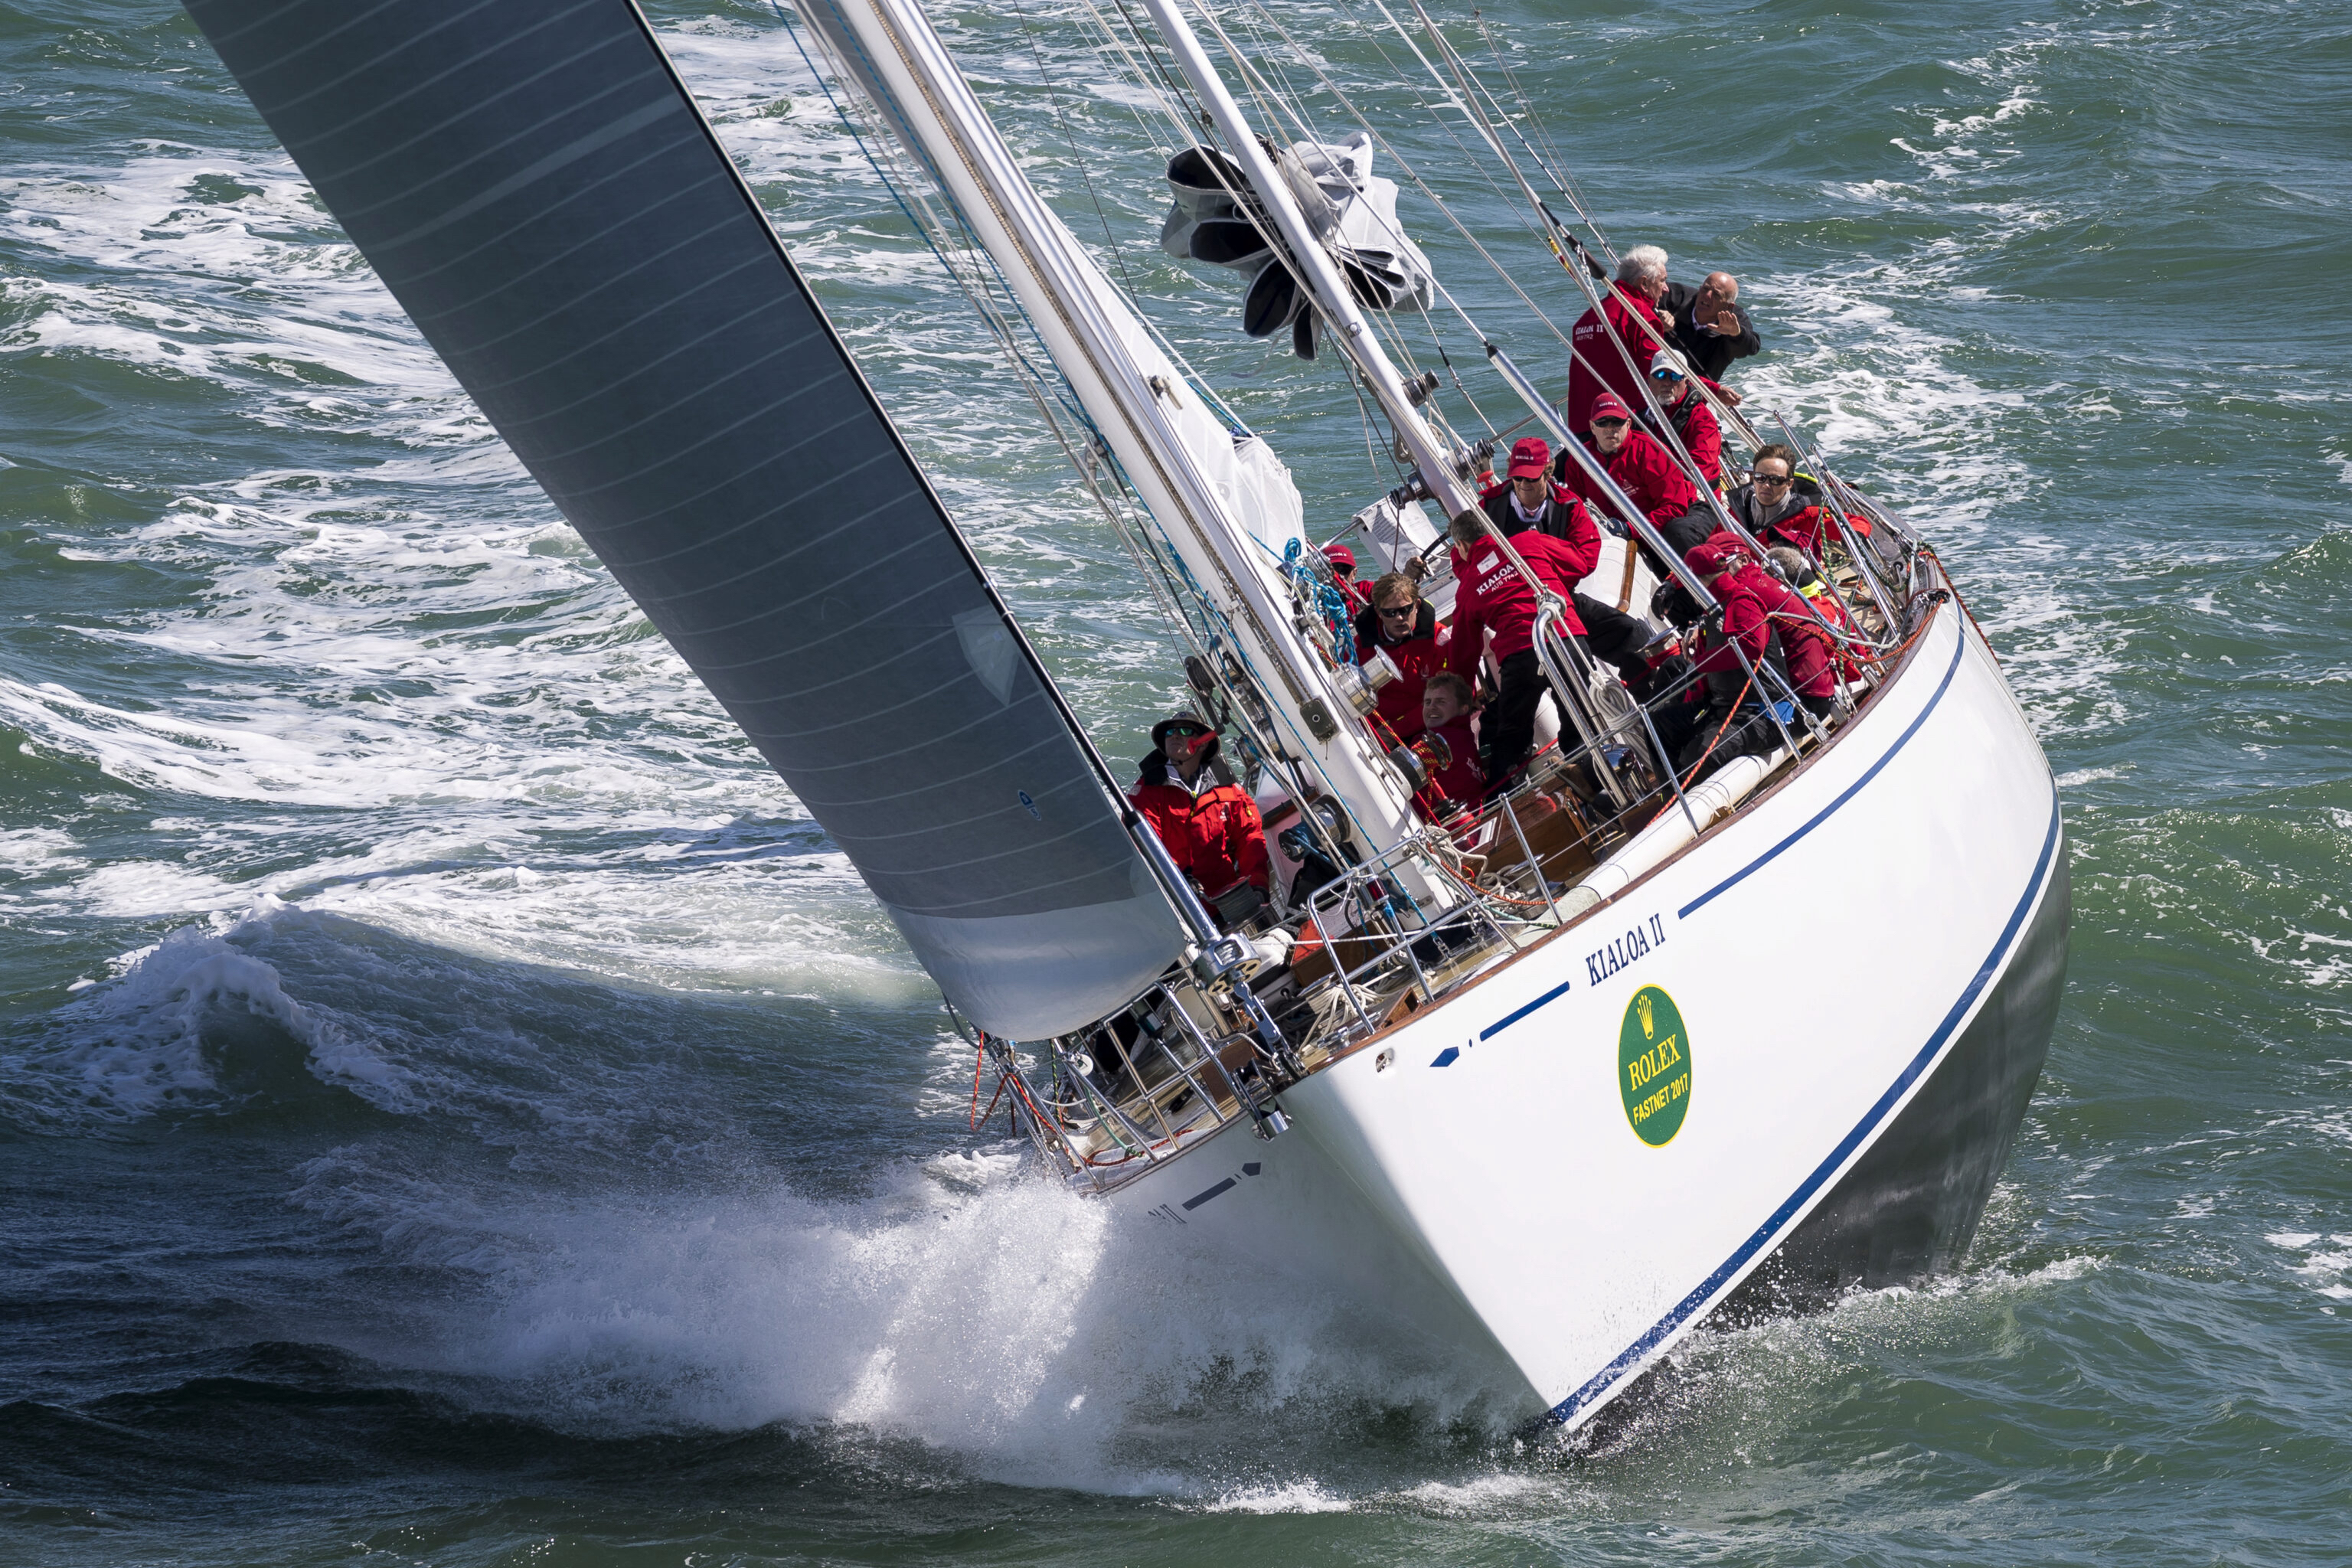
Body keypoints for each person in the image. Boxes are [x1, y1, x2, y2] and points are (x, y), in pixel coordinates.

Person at [1484, 436, 1655, 686]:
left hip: (1561, 599)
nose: (1522, 485)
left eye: (1530, 477)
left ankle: (1650, 699)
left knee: (1631, 635)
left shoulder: (1568, 505)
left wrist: (1538, 549)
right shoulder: (1487, 508)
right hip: (1515, 612)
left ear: (1547, 472)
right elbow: (1466, 562)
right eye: (1517, 477)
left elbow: (1587, 557)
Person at [1445, 508, 1594, 795]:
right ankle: (1590, 779)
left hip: (1521, 658)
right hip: (1567, 636)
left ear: (1462, 547)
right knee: (1581, 716)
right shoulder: (1530, 542)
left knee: (1513, 737)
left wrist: (1463, 697)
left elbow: (1464, 650)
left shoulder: (1468, 587)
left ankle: (1502, 806)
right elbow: (1578, 564)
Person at [1128, 710, 1268, 928]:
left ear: (1202, 744)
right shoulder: (1147, 792)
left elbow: (1250, 836)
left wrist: (1257, 884)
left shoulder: (1228, 788)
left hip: (1230, 902)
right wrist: (1179, 882)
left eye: (1185, 731)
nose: (1175, 736)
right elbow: (1144, 847)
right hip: (1180, 910)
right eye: (1170, 732)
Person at [1555, 391, 1714, 568]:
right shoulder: (1579, 460)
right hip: (1622, 531)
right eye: (1602, 423)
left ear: (1629, 423)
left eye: (1616, 422)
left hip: (1682, 516)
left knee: (1678, 533)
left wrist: (1631, 529)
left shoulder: (1649, 451)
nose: (1610, 429)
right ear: (1592, 427)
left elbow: (1675, 507)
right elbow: (1576, 509)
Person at [1566, 244, 1674, 433]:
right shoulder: (1640, 315)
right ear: (1644, 283)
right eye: (1663, 281)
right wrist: (1711, 390)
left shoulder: (1587, 318)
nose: (1666, 289)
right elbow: (1659, 374)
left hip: (1583, 427)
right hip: (1623, 426)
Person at [1353, 570, 1449, 743]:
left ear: (1417, 606)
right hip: (1377, 733)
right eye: (1390, 613)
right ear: (1379, 612)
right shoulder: (1358, 647)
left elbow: (1449, 696)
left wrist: (1398, 729)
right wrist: (1377, 734)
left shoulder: (1440, 640)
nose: (1399, 618)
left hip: (1430, 726)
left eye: (1405, 610)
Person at [1725, 444, 1836, 556]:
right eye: (1760, 478)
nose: (1766, 485)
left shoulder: (1810, 516)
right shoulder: (1736, 511)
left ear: (1789, 484)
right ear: (1754, 479)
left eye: (1775, 480)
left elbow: (1849, 527)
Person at [1640, 346, 1723, 491]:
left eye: (1675, 376)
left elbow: (1700, 470)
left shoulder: (1703, 420)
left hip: (1694, 499)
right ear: (1649, 380)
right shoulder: (1639, 413)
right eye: (1660, 375)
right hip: (1648, 492)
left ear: (1686, 381)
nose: (1667, 383)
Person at [1404, 671, 1484, 817]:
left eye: (1441, 702)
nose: (1431, 707)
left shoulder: (1438, 740)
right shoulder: (1466, 742)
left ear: (1463, 709)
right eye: (1427, 702)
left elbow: (1399, 773)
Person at [1661, 271, 1759, 385]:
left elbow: (1751, 348)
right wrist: (1658, 317)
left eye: (1716, 295)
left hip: (1697, 389)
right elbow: (1643, 298)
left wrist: (1736, 333)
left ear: (1729, 306)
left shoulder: (1735, 320)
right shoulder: (1674, 296)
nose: (1707, 295)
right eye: (1705, 289)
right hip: (1655, 375)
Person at [1322, 542, 1370, 610]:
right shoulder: (1314, 605)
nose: (1336, 576)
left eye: (1343, 569)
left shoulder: (1366, 590)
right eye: (1329, 570)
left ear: (1354, 573)